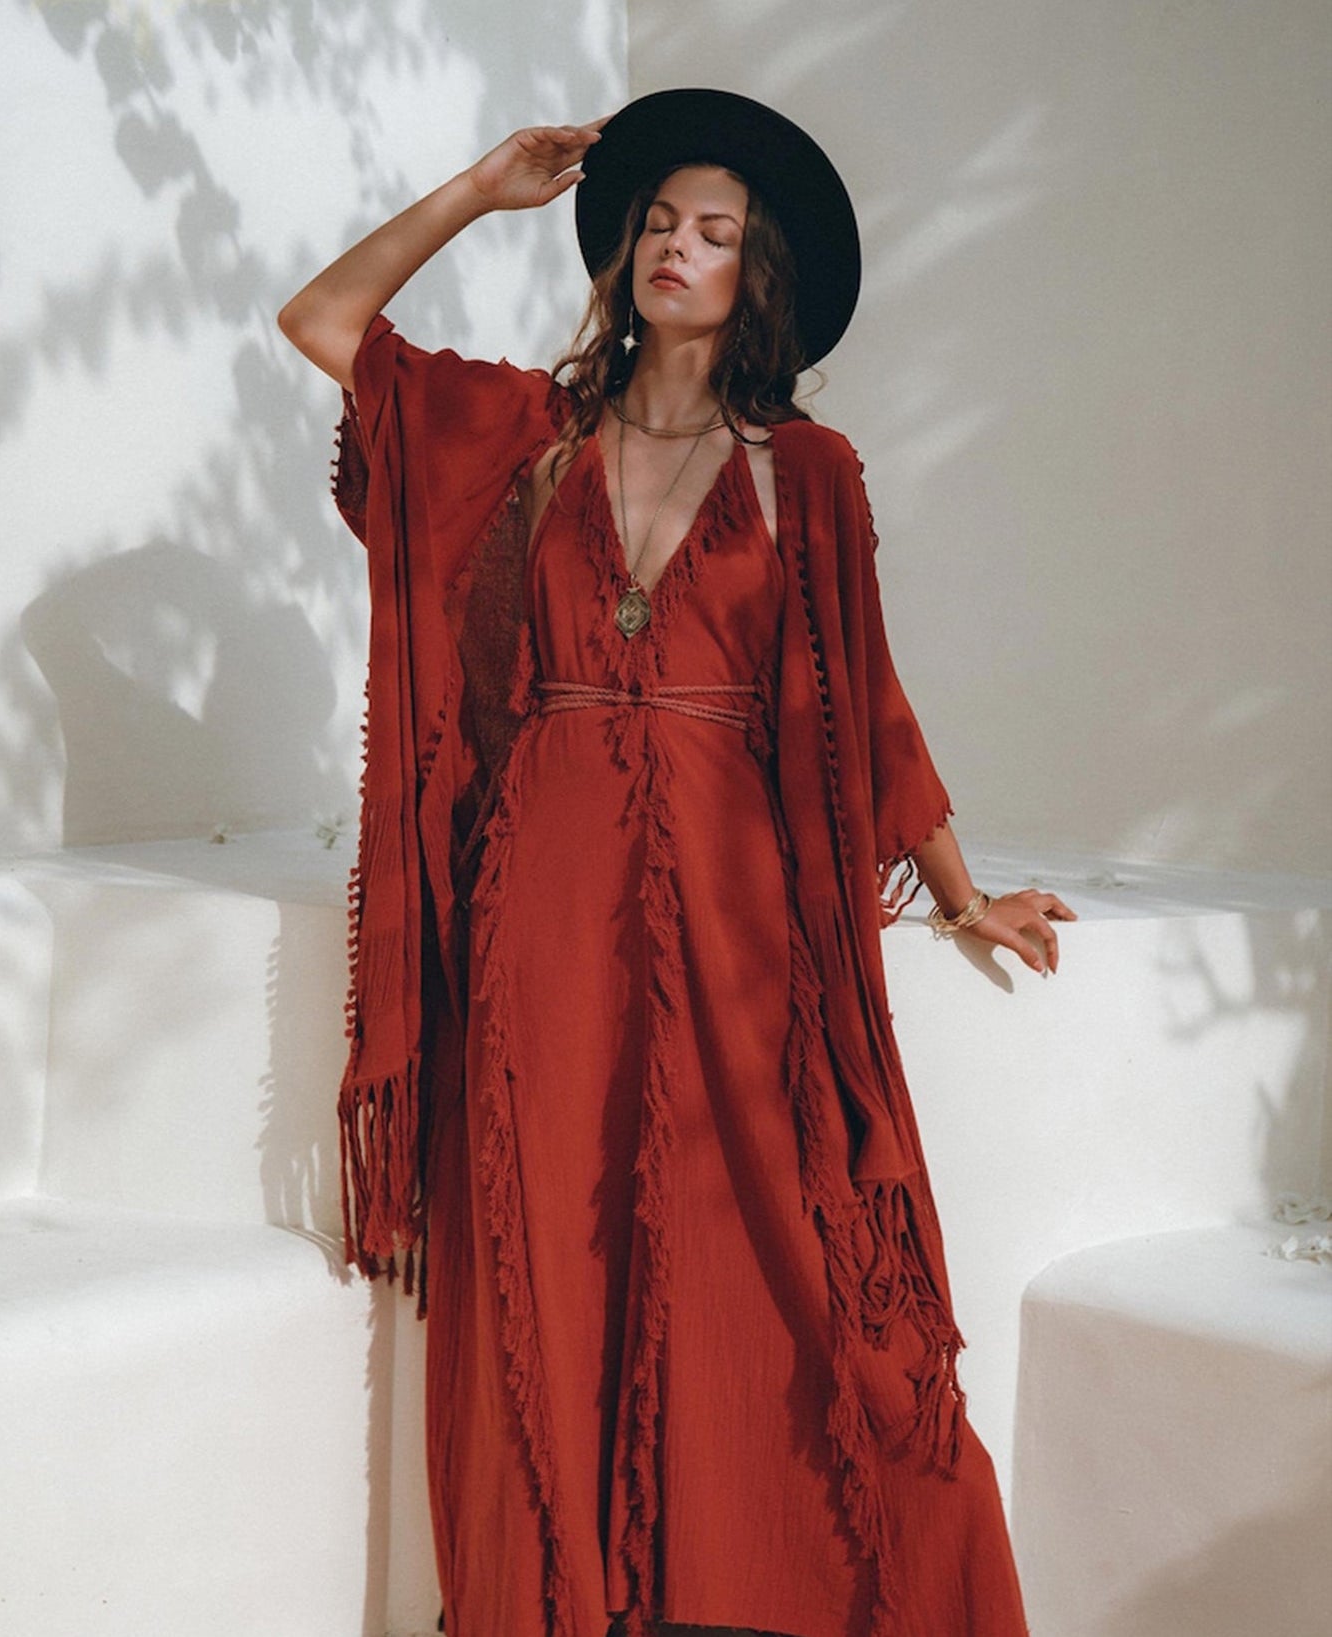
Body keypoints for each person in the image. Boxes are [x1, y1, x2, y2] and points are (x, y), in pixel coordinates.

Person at [279, 87, 1074, 1637]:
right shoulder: (528, 437)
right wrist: (476, 191)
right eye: (657, 222)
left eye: (712, 233)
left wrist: (964, 891)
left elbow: (871, 709)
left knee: (768, 1251)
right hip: (545, 906)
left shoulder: (805, 472)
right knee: (548, 1252)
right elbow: (324, 320)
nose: (675, 248)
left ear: (751, 277)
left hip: (737, 916)